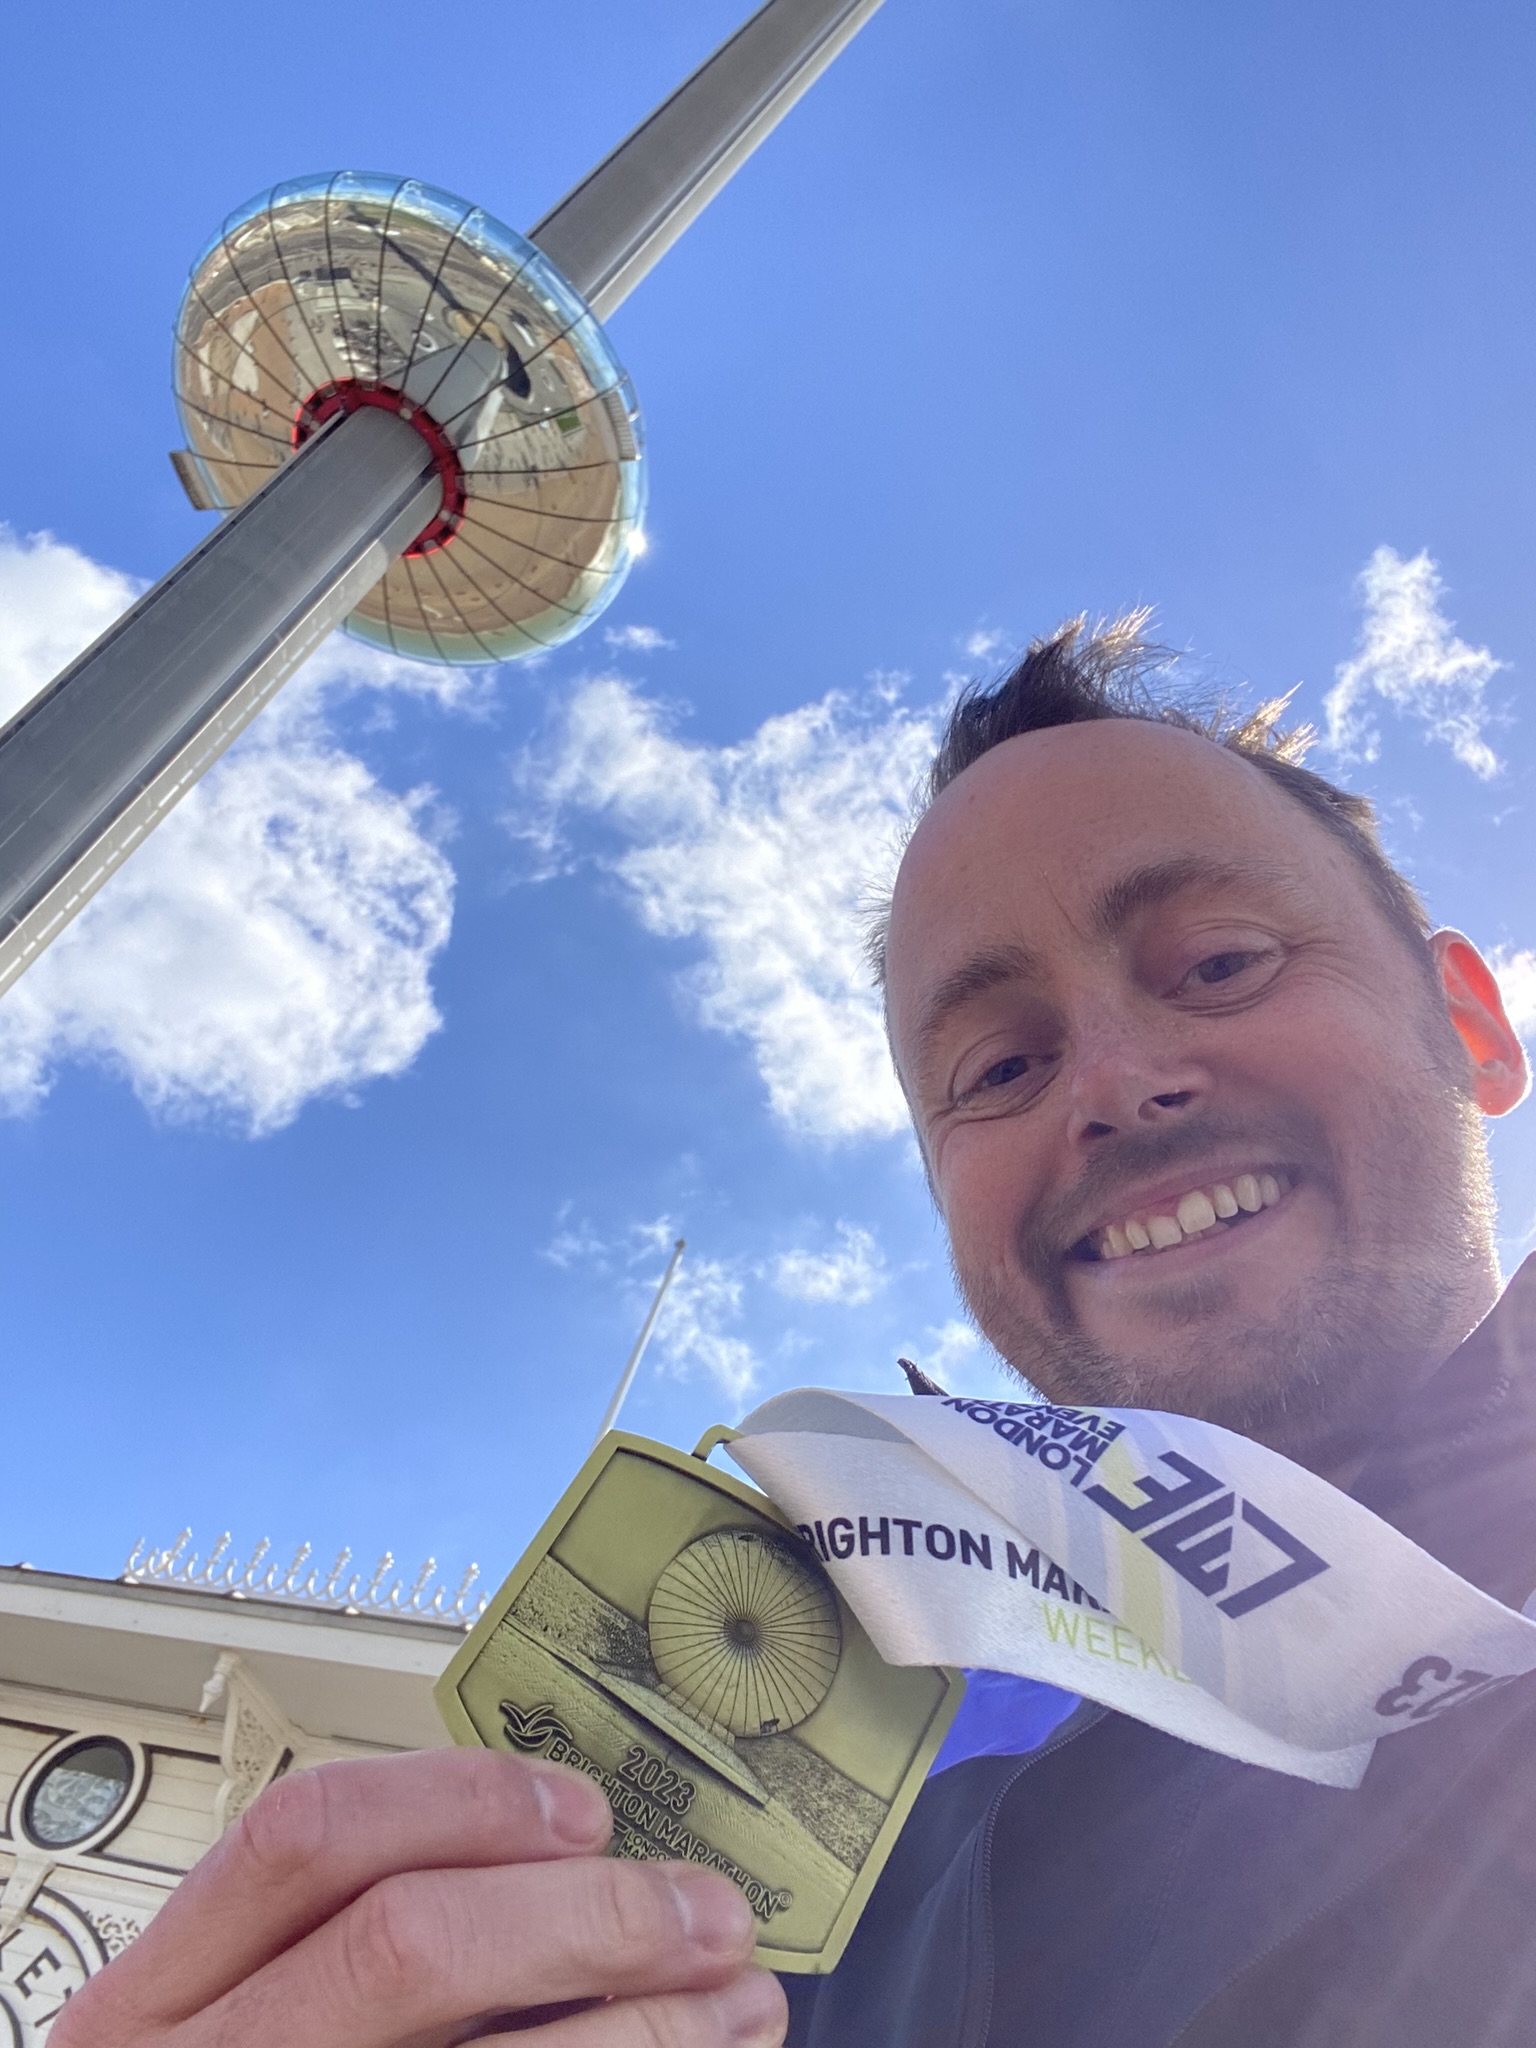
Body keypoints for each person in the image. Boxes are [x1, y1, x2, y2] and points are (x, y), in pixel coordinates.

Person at [53, 617, 1533, 2048]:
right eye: (1001, 1064)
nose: (1116, 1084)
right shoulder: (811, 1849)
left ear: (1471, 1022)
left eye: (1221, 963)